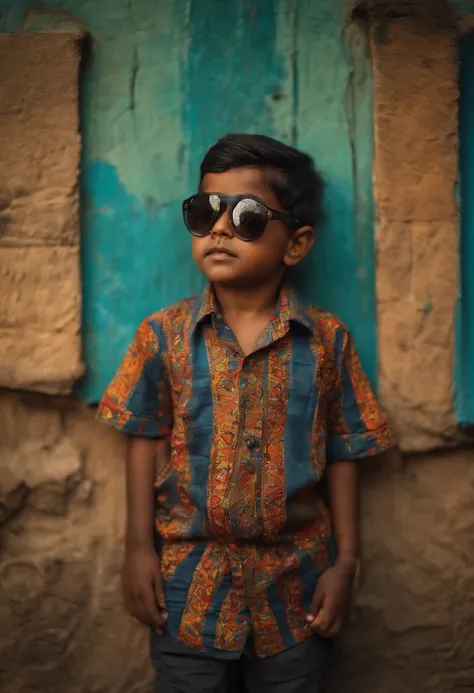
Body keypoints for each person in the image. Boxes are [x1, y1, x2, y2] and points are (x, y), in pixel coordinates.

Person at [97, 133, 394, 693]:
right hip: (187, 586)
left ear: (296, 243)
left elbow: (345, 450)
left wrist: (346, 561)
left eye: (249, 215)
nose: (221, 228)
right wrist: (138, 548)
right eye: (206, 210)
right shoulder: (163, 336)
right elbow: (143, 437)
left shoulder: (328, 341)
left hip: (298, 588)